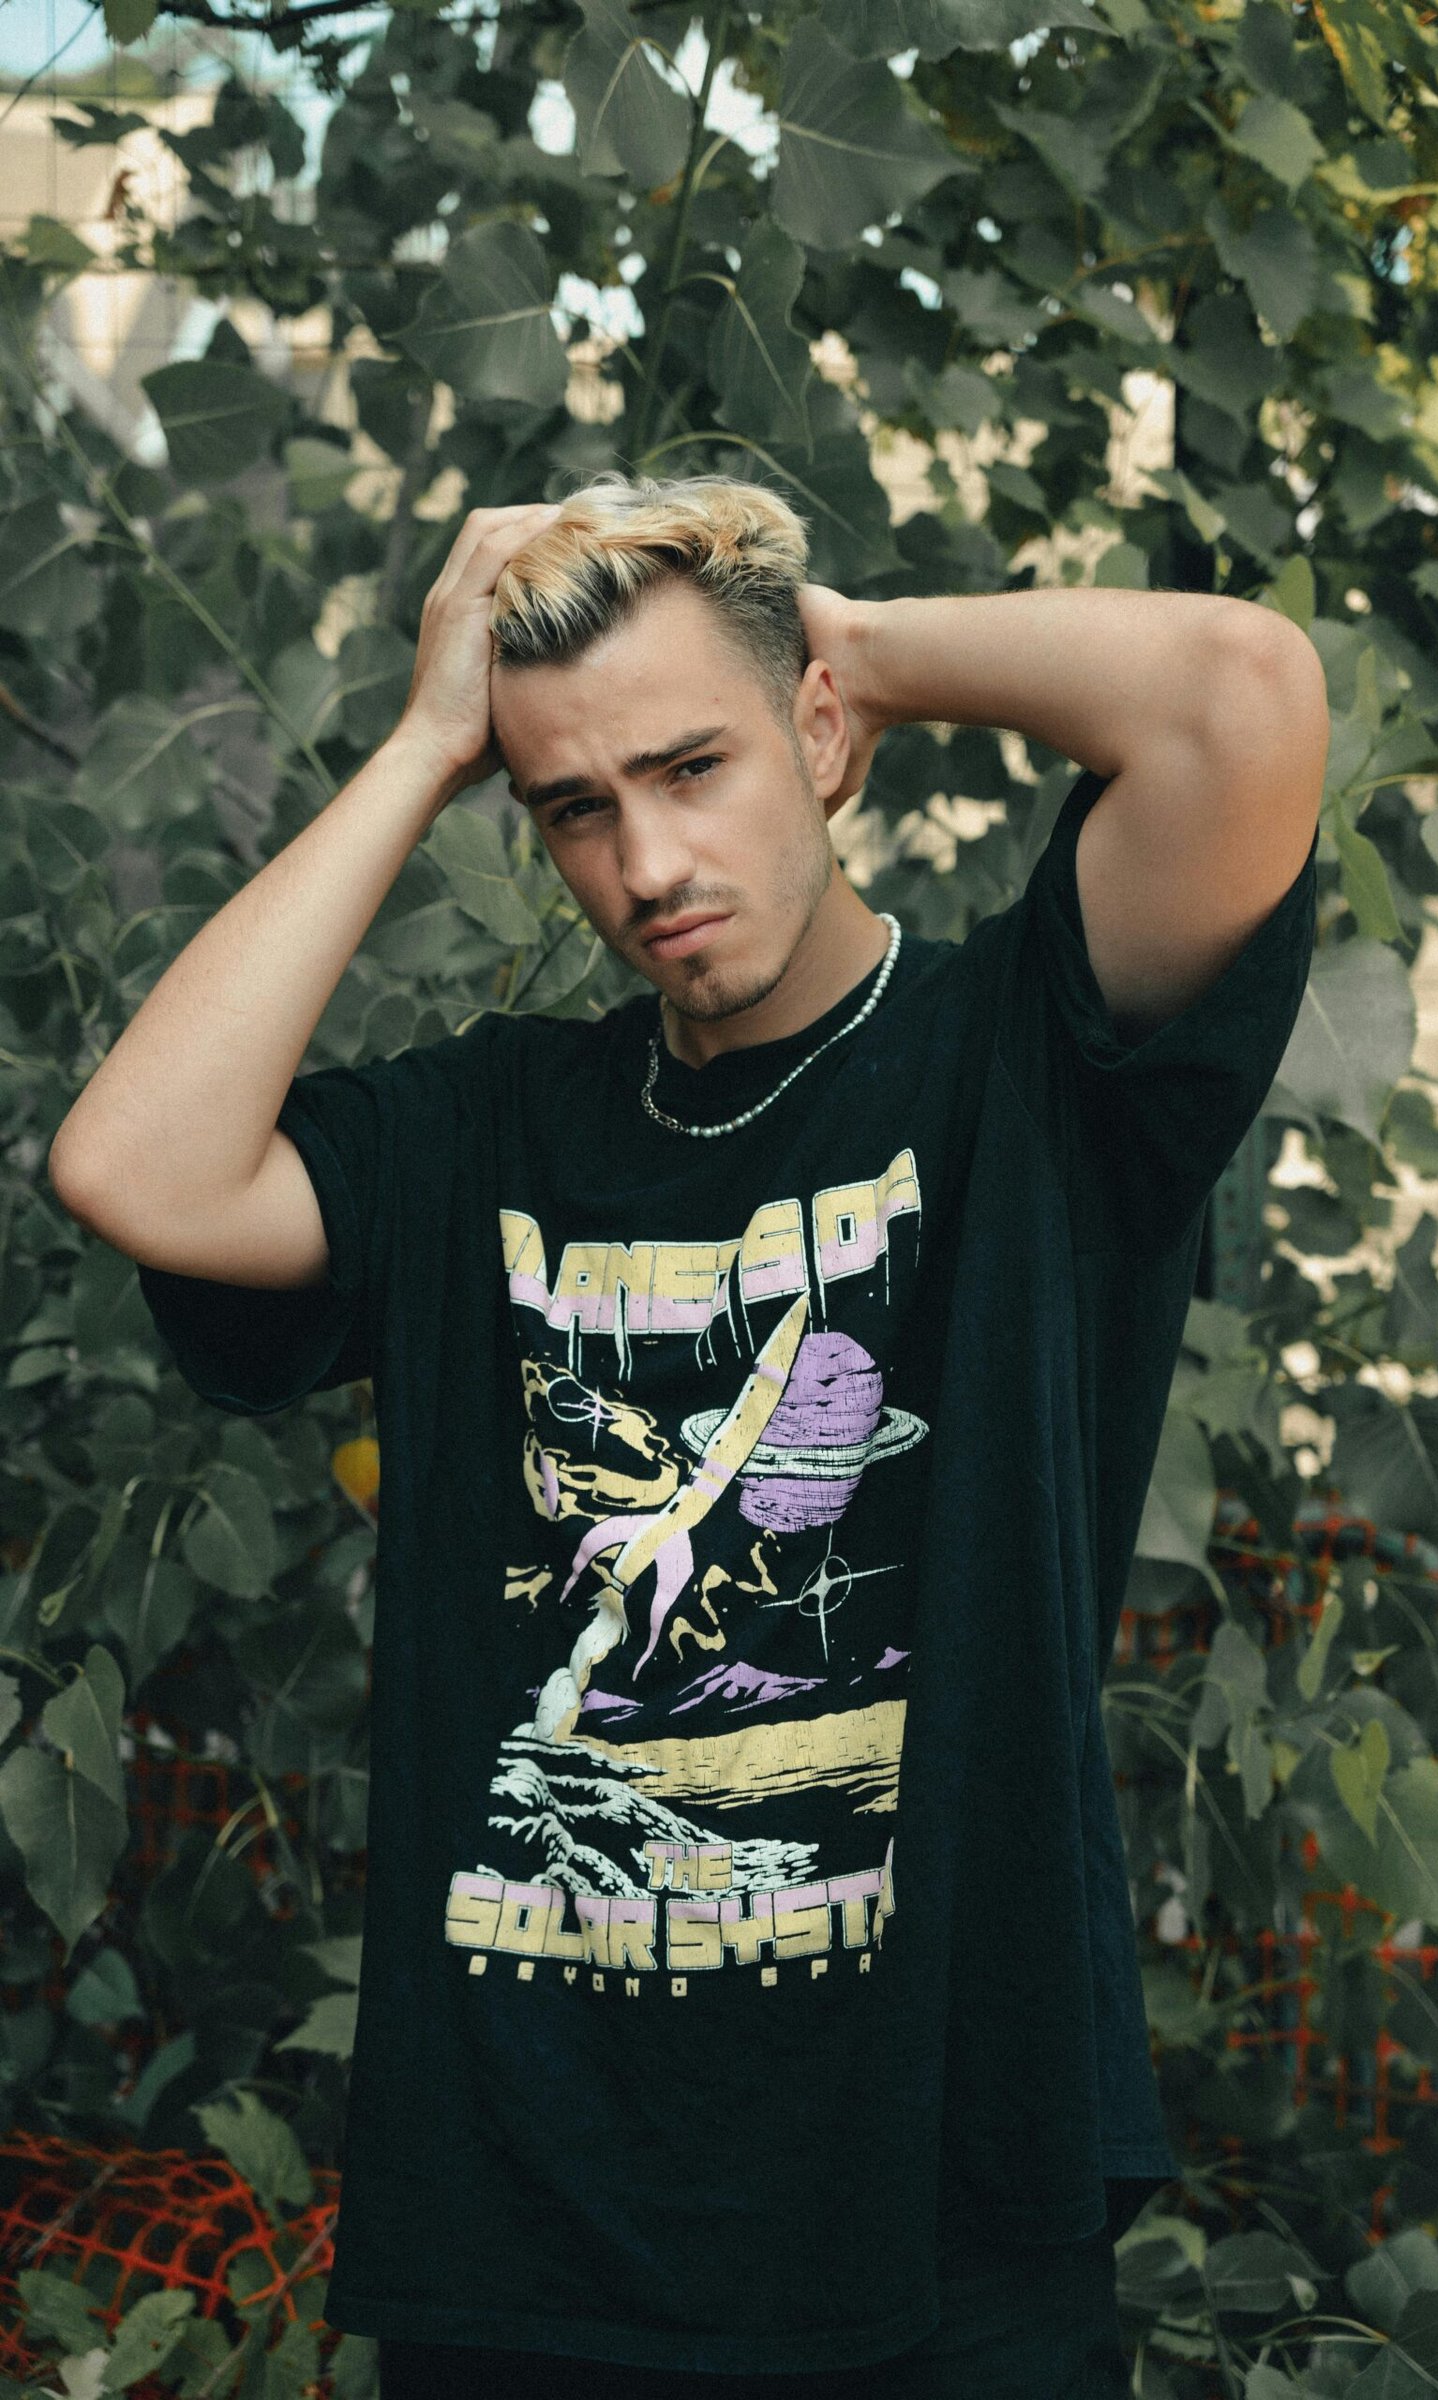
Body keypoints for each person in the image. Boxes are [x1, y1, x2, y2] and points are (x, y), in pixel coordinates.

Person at [48, 472, 1328, 2397]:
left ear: (820, 735)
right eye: (577, 805)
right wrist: (420, 747)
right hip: (531, 2240)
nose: (647, 863)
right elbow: (134, 1167)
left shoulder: (1026, 1067)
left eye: (691, 766)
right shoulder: (489, 1131)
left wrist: (862, 640)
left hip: (941, 2227)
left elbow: (1238, 691)